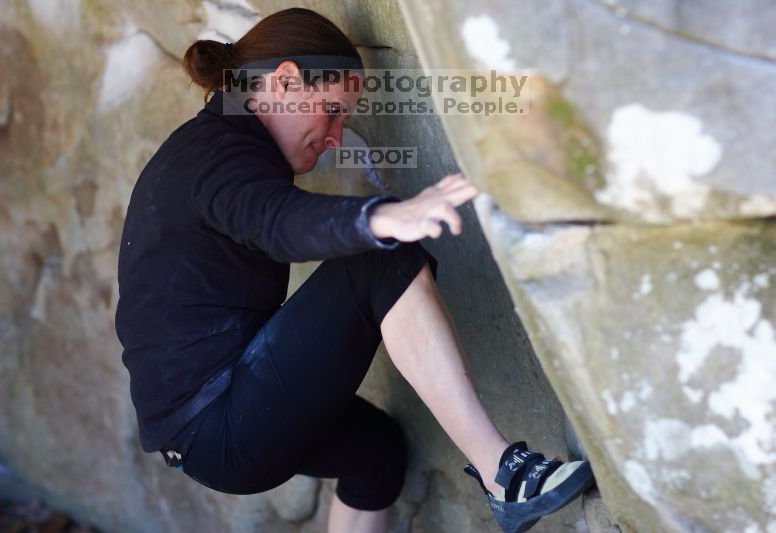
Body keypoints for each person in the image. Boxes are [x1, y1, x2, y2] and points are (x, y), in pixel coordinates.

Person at [114, 7, 594, 533]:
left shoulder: (216, 142)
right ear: (287, 81)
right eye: (333, 110)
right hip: (218, 423)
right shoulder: (217, 154)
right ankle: (505, 477)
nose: (337, 137)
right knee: (381, 260)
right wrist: (381, 216)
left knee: (375, 454)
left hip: (200, 430)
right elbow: (275, 222)